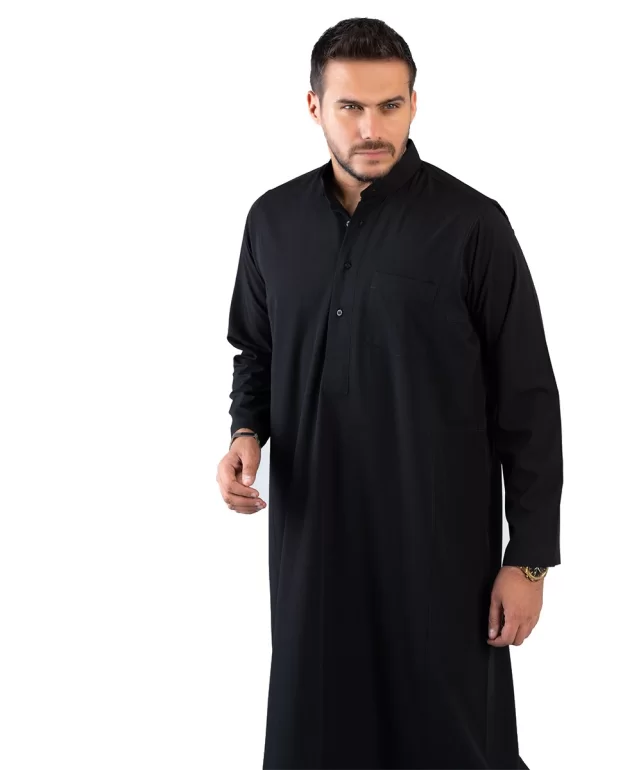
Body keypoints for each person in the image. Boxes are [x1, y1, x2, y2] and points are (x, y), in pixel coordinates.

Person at [216, 16, 562, 770]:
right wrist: (246, 433)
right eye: (350, 107)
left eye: (390, 106)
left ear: (413, 103)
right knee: (316, 733)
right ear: (315, 106)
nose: (372, 128)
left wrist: (529, 559)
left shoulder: (471, 225)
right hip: (314, 543)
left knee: (451, 740)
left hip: (442, 550)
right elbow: (258, 348)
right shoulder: (273, 220)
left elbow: (528, 400)